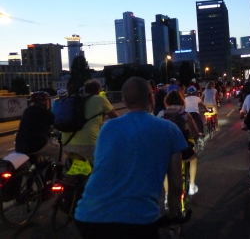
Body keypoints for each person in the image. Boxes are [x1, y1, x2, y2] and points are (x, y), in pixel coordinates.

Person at [74, 77, 187, 238]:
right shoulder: (170, 129)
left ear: (124, 101)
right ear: (151, 97)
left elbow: (101, 166)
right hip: (137, 219)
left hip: (89, 217)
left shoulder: (107, 128)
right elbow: (175, 183)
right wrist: (173, 215)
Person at [157, 90, 202, 198]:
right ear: (181, 101)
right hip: (181, 146)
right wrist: (198, 134)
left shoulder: (162, 114)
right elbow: (193, 130)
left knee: (166, 170)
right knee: (193, 157)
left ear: (167, 101)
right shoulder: (185, 114)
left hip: (165, 147)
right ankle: (191, 186)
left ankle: (167, 195)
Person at [62, 79, 119, 164]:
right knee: (104, 167)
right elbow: (115, 118)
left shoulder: (74, 101)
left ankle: (64, 177)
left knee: (79, 172)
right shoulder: (100, 99)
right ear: (98, 90)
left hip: (67, 144)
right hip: (88, 145)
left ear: (84, 90)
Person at [15, 91, 66, 178]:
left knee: (39, 161)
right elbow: (57, 124)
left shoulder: (27, 110)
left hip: (20, 145)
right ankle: (59, 176)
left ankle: (36, 173)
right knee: (61, 151)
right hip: (36, 145)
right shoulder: (44, 111)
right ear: (45, 101)